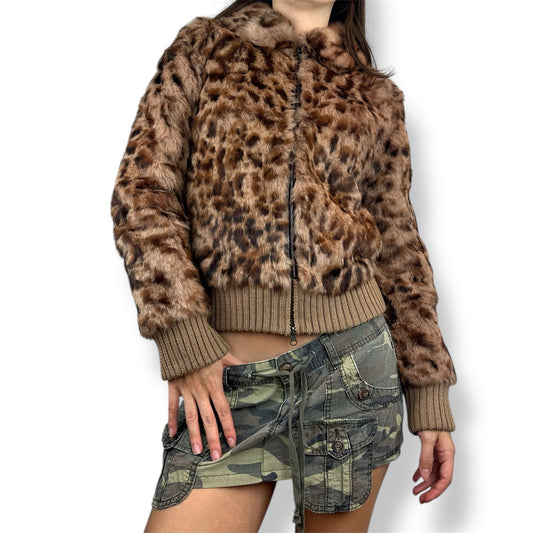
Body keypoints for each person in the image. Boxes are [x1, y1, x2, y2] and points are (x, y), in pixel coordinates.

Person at [110, 1, 457, 531]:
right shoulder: (204, 49)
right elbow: (141, 193)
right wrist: (183, 338)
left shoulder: (373, 92)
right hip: (228, 382)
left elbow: (399, 246)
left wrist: (428, 393)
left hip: (354, 374)